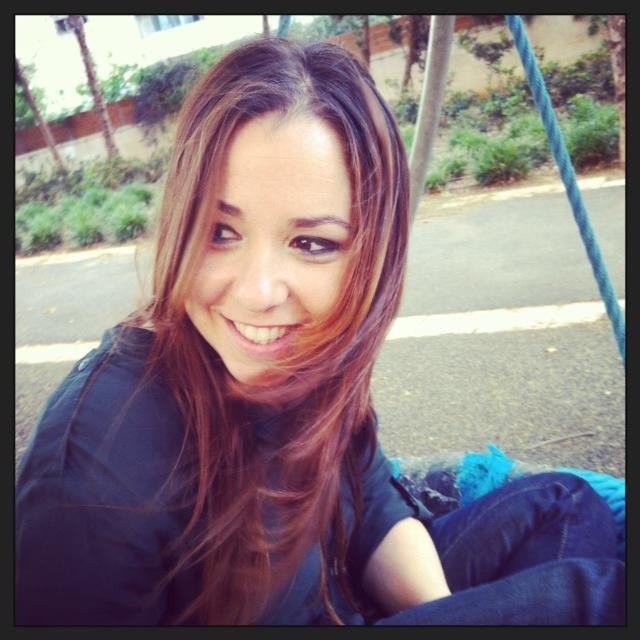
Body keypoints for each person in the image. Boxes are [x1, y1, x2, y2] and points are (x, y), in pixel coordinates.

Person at [15, 37, 625, 626]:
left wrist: (447, 613)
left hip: (350, 597)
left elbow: (371, 499)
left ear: (374, 255)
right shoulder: (93, 469)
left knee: (568, 503)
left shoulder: (305, 353)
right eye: (220, 231)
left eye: (311, 243)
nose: (257, 292)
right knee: (598, 600)